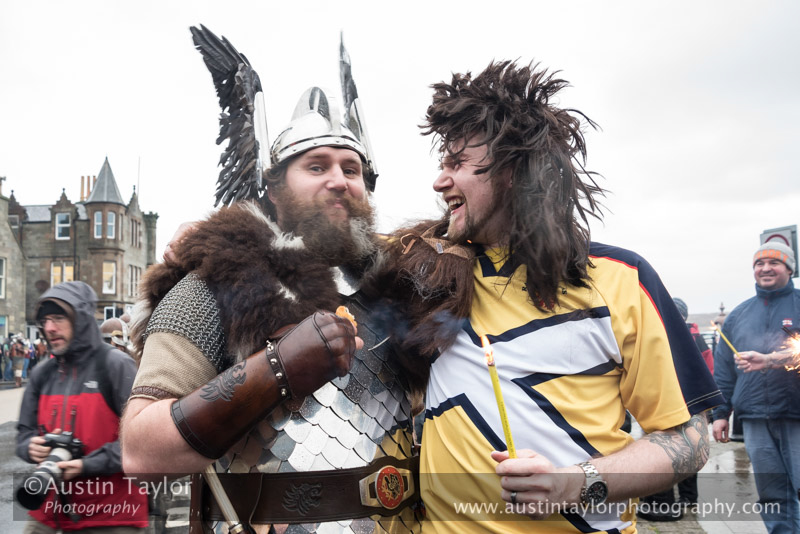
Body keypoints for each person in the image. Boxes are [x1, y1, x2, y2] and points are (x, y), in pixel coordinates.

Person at [394, 61, 723, 533]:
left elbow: (689, 441)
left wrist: (576, 483)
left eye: (457, 164)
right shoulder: (429, 277)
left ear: (511, 169)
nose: (439, 181)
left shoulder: (621, 279)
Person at [120, 26, 418, 534]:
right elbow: (141, 450)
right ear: (275, 190)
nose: (339, 180)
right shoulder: (218, 282)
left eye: (352, 168)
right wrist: (275, 369)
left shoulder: (404, 289)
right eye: (316, 165)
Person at [15, 281, 148, 533]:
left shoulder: (116, 366)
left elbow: (142, 442)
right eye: (45, 321)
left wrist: (86, 465)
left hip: (110, 513)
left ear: (82, 319)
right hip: (48, 509)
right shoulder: (43, 373)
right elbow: (24, 432)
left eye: (58, 318)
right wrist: (29, 447)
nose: (49, 328)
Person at [712, 241, 800, 534]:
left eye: (774, 263)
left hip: (796, 413)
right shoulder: (738, 315)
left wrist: (772, 359)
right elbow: (724, 370)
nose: (765, 268)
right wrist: (722, 413)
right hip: (755, 418)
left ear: (789, 267)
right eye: (759, 264)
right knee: (773, 494)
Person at [637, 297, 714, 521]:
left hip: (675, 402)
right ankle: (687, 498)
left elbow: (707, 370)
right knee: (689, 448)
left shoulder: (673, 336)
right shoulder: (696, 337)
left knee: (669, 450)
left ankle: (665, 502)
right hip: (686, 402)